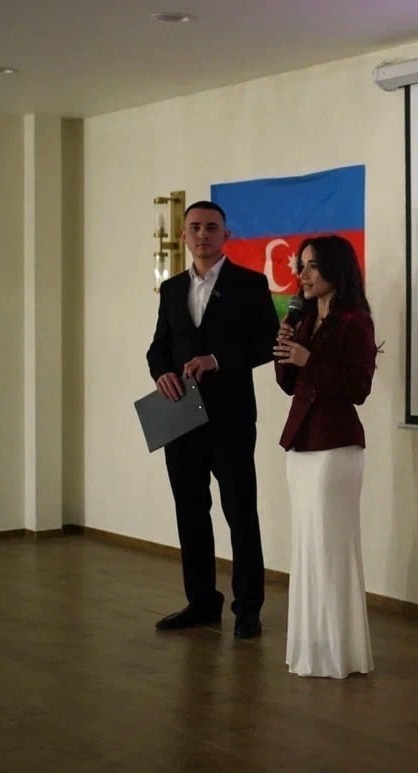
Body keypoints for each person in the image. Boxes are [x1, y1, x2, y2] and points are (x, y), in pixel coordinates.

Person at [146, 200, 279, 639]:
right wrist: (161, 373)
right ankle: (201, 601)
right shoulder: (171, 290)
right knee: (190, 512)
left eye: (211, 227)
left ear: (226, 235)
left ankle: (248, 608)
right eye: (195, 227)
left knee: (240, 512)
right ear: (184, 235)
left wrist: (217, 359)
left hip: (231, 417)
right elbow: (158, 348)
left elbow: (267, 343)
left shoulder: (250, 284)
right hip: (180, 415)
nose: (202, 234)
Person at [274, 235, 379, 679]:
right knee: (307, 547)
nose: (303, 274)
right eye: (301, 266)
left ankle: (340, 652)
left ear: (335, 268)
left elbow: (358, 388)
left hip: (336, 445)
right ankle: (311, 648)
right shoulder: (302, 318)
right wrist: (286, 352)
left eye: (312, 266)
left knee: (330, 548)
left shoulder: (356, 321)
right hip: (301, 442)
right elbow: (289, 384)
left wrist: (309, 359)